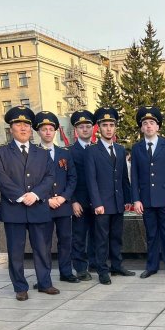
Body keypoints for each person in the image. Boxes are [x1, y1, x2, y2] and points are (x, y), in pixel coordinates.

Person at [0, 105, 58, 301]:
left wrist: (35, 194)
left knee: (43, 249)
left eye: (26, 125)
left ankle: (45, 283)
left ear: (31, 129)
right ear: (11, 129)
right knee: (16, 252)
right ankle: (20, 287)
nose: (23, 128)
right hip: (14, 209)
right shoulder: (1, 152)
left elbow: (49, 176)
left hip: (38, 207)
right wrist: (21, 195)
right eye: (18, 125)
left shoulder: (42, 152)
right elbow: (0, 178)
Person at [85, 107, 134, 285]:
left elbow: (123, 178)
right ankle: (102, 270)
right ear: (99, 128)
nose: (108, 128)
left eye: (111, 125)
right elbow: (91, 180)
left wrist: (127, 199)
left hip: (118, 202)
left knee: (116, 236)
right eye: (105, 125)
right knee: (101, 239)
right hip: (102, 204)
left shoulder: (120, 150)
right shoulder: (92, 151)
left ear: (115, 128)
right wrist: (97, 202)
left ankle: (117, 265)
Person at [131, 106, 165, 279]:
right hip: (146, 200)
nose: (149, 126)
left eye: (152, 123)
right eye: (145, 123)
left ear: (158, 126)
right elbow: (135, 176)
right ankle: (151, 266)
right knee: (151, 234)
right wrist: (136, 199)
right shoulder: (136, 148)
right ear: (141, 127)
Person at [33, 111, 79, 285]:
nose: (47, 132)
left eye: (51, 129)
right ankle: (43, 278)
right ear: (38, 132)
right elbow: (32, 181)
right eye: (44, 129)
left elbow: (72, 177)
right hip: (42, 205)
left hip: (62, 205)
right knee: (43, 244)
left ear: (55, 132)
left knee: (66, 240)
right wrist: (46, 199)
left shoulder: (64, 153)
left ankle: (66, 272)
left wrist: (64, 197)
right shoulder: (33, 153)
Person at [69, 110, 97, 281]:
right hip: (79, 202)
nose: (85, 130)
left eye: (88, 126)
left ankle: (95, 262)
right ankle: (80, 267)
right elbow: (68, 179)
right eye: (81, 127)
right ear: (76, 131)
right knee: (79, 236)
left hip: (97, 201)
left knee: (97, 235)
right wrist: (73, 201)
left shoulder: (98, 149)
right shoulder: (70, 152)